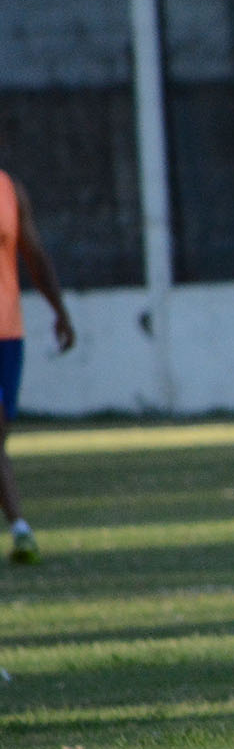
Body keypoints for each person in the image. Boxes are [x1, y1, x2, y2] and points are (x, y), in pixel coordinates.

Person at [0, 167, 76, 565]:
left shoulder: (10, 190)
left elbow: (33, 253)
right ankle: (21, 527)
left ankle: (20, 530)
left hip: (8, 334)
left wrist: (59, 311)